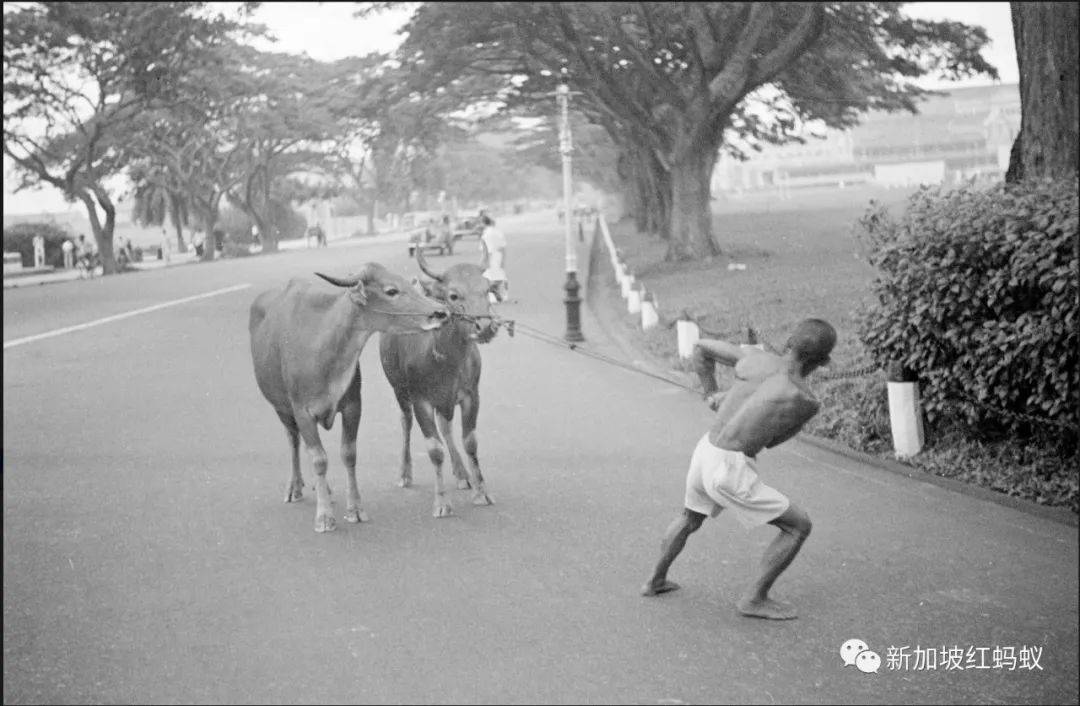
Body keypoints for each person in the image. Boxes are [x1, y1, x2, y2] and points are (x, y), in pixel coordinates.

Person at [641, 318, 837, 621]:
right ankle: (754, 599)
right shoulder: (806, 401)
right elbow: (771, 441)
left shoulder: (754, 359)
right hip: (730, 466)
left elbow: (701, 348)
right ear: (823, 361)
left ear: (788, 342)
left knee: (689, 517)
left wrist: (711, 393)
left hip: (706, 450)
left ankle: (655, 579)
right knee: (798, 526)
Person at [479, 214, 508, 303]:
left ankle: (493, 295)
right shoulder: (498, 232)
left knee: (488, 277)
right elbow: (503, 247)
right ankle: (500, 295)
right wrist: (503, 260)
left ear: (484, 223)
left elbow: (485, 250)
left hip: (490, 257)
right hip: (498, 256)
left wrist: (483, 261)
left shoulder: (485, 234)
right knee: (499, 276)